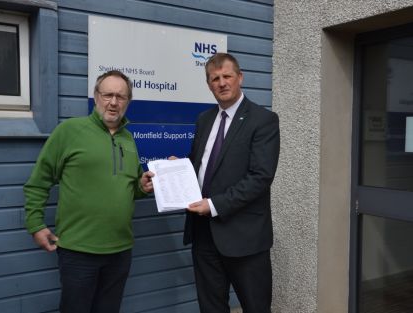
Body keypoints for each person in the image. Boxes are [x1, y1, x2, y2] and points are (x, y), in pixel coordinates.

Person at [23, 70, 154, 313]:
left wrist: (142, 186)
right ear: (96, 97)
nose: (113, 102)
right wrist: (35, 224)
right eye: (108, 95)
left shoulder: (128, 139)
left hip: (120, 250)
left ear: (128, 102)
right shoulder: (69, 131)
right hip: (78, 251)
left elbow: (130, 187)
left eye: (121, 96)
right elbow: (39, 181)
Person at [184, 53, 280, 313]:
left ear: (240, 78)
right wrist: (176, 170)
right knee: (211, 307)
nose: (222, 83)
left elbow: (260, 177)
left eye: (227, 76)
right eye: (215, 78)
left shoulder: (263, 120)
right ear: (209, 84)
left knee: (255, 307)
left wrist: (214, 205)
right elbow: (201, 166)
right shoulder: (204, 119)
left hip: (244, 236)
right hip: (203, 234)